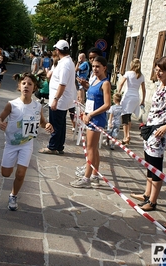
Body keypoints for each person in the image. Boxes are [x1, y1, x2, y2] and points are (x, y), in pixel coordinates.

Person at [130, 56, 166, 211]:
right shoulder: (160, 86)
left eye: (161, 70)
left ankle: (153, 201)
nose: (158, 73)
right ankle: (147, 194)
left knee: (155, 166)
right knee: (149, 164)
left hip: (159, 132)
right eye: (157, 70)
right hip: (150, 130)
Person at [0, 72, 54, 210]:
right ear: (19, 86)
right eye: (23, 83)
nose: (26, 86)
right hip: (11, 144)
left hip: (27, 144)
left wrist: (46, 125)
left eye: (29, 84)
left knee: (21, 173)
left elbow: (42, 122)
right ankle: (10, 165)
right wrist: (0, 123)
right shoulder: (12, 105)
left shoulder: (37, 106)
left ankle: (13, 195)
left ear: (34, 88)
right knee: (6, 173)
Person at [70, 56, 111, 188]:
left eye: (98, 66)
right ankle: (94, 174)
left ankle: (86, 178)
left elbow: (107, 104)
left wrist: (91, 114)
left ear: (104, 67)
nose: (95, 69)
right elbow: (93, 95)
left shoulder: (105, 83)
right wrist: (85, 85)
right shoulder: (94, 80)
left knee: (90, 149)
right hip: (90, 116)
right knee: (93, 149)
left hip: (96, 119)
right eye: (93, 66)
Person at [39, 40, 76, 155]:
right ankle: (59, 146)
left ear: (58, 50)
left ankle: (53, 146)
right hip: (62, 100)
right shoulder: (66, 62)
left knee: (55, 124)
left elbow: (62, 84)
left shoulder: (65, 64)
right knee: (61, 124)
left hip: (60, 100)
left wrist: (55, 99)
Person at [117, 58, 146, 145]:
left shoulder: (128, 73)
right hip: (136, 97)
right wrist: (143, 100)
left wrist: (118, 93)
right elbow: (144, 90)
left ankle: (126, 136)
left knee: (125, 116)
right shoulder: (141, 76)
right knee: (129, 116)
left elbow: (121, 83)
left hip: (128, 96)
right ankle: (127, 136)